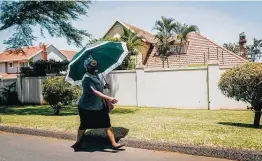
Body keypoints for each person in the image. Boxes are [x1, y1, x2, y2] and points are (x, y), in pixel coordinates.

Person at [71, 57, 125, 151]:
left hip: (99, 105)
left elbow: (100, 89)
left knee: (107, 124)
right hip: (86, 107)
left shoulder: (96, 75)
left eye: (95, 64)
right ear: (87, 67)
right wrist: (109, 98)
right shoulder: (86, 78)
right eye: (92, 65)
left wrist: (104, 87)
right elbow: (95, 92)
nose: (94, 66)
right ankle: (77, 143)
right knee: (84, 126)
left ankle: (114, 144)